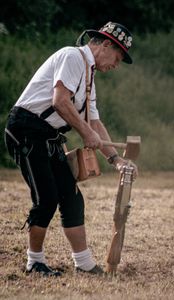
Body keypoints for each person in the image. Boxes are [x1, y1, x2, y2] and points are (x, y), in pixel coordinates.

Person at [4, 21, 136, 276]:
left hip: (48, 135)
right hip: (26, 128)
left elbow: (94, 123)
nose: (116, 65)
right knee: (47, 198)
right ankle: (34, 262)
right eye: (118, 58)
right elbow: (60, 101)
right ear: (106, 45)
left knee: (72, 198)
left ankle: (84, 263)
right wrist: (85, 133)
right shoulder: (72, 57)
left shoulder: (89, 77)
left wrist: (116, 160)